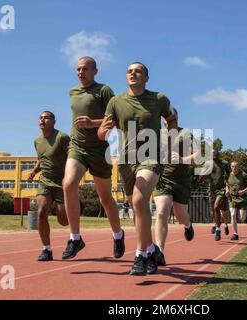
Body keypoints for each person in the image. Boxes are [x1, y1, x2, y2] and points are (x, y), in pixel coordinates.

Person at [98, 61, 176, 276]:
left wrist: (170, 138)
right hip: (126, 160)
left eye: (138, 71)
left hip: (151, 156)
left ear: (146, 78)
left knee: (140, 200)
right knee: (137, 207)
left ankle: (140, 254)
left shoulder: (158, 99)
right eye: (130, 71)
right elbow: (102, 134)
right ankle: (152, 250)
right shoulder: (116, 102)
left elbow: (171, 118)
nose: (133, 73)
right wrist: (103, 131)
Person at [61, 56, 125, 260]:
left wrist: (93, 123)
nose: (81, 72)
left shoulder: (104, 90)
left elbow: (116, 117)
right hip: (77, 146)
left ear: (95, 71)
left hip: (99, 150)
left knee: (105, 199)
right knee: (69, 184)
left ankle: (118, 235)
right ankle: (75, 238)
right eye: (78, 69)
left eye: (85, 69)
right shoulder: (72, 92)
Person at [153, 108, 198, 266]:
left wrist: (181, 159)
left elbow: (197, 156)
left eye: (171, 117)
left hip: (182, 180)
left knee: (180, 215)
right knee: (161, 212)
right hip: (162, 178)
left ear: (176, 118)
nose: (168, 120)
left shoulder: (185, 134)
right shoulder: (156, 135)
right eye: (165, 117)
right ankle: (160, 252)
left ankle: (187, 225)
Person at [29, 111, 70, 261]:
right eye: (40, 117)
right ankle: (46, 249)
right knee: (41, 212)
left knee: (63, 221)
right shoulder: (37, 141)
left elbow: (73, 158)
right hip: (45, 181)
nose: (42, 120)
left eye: (46, 117)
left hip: (62, 182)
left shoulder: (62, 138)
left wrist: (71, 178)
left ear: (54, 121)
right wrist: (34, 171)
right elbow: (41, 160)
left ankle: (74, 209)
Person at [205, 150, 231, 241]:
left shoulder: (224, 163)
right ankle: (218, 225)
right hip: (212, 190)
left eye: (215, 153)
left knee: (219, 208)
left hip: (222, 189)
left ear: (218, 154)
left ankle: (219, 229)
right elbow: (202, 175)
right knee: (214, 209)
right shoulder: (208, 164)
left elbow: (229, 176)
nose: (213, 155)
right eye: (211, 154)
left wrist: (228, 187)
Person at [225, 161, 247, 240]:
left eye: (236, 166)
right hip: (232, 198)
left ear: (238, 167)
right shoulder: (228, 175)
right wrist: (227, 191)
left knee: (242, 218)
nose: (234, 168)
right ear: (231, 167)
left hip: (242, 198)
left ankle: (244, 215)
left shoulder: (243, 175)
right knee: (233, 215)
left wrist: (243, 191)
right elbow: (227, 184)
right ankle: (235, 234)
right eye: (233, 166)